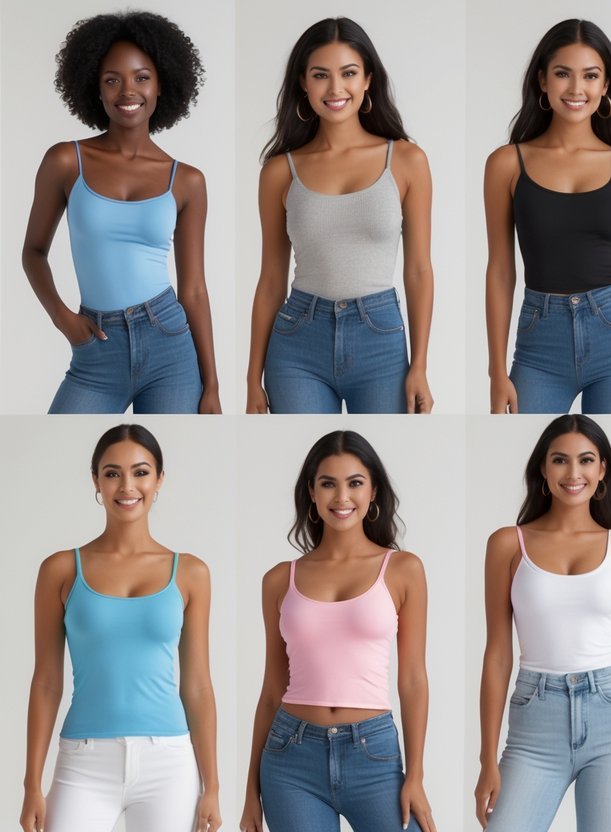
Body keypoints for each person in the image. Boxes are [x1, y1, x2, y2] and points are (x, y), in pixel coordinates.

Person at [21, 425, 220, 831]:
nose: (127, 486)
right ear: (95, 480)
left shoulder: (191, 573)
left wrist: (212, 786)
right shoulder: (60, 569)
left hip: (169, 762)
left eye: (140, 472)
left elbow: (198, 685)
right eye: (112, 473)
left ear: (159, 479)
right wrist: (31, 784)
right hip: (84, 760)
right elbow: (46, 682)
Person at [23, 12, 220, 414]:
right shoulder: (66, 161)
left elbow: (194, 290)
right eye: (112, 80)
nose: (128, 91)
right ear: (95, 88)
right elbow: (33, 252)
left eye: (141, 77)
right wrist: (62, 317)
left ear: (161, 83)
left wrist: (212, 385)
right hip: (97, 344)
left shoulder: (187, 181)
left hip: (170, 345)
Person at [475, 415, 611, 829]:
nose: (573, 473)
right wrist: (487, 758)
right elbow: (497, 656)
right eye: (560, 460)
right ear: (543, 470)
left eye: (586, 460)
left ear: (602, 470)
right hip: (534, 721)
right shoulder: (508, 544)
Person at [240, 431, 434, 831]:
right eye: (328, 483)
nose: (342, 497)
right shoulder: (279, 579)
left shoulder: (403, 570)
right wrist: (249, 792)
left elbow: (413, 679)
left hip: (374, 754)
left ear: (373, 491)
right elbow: (272, 689)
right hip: (290, 759)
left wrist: (415, 774)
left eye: (355, 483)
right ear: (311, 492)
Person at [484, 20, 611, 414]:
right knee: (529, 446)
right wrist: (496, 372)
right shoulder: (507, 164)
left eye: (590, 76)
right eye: (562, 74)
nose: (576, 88)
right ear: (542, 80)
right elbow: (501, 271)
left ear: (605, 85)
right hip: (540, 340)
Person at [246, 18, 434, 414]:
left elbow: (418, 270)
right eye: (320, 75)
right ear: (303, 82)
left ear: (368, 80)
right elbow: (270, 280)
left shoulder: (406, 160)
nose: (335, 88)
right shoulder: (280, 171)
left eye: (348, 73)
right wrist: (251, 379)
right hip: (297, 343)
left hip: (380, 340)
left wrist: (419, 365)